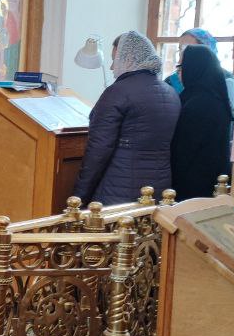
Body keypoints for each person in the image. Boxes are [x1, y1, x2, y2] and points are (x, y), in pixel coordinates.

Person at [72, 30, 179, 206]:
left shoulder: (118, 92)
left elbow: (99, 149)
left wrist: (79, 197)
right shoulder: (170, 93)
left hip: (119, 190)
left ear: (128, 58)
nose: (111, 67)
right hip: (159, 190)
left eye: (115, 59)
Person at [170, 44, 233, 200]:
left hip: (192, 187)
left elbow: (182, 152)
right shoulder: (216, 98)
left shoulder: (197, 104)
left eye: (181, 67)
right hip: (215, 182)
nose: (178, 74)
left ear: (194, 68)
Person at [165, 27, 234, 111]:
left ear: (205, 51)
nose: (182, 55)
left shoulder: (227, 81)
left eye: (187, 49)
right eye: (180, 49)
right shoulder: (171, 81)